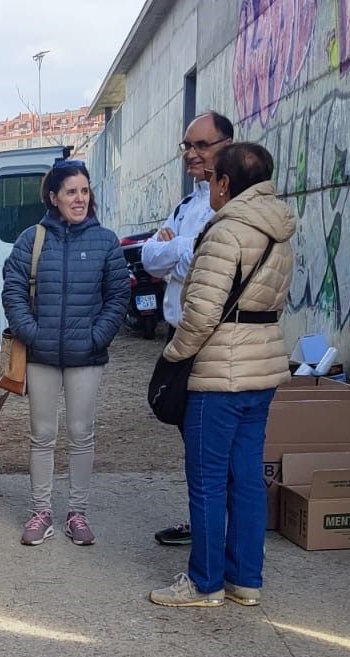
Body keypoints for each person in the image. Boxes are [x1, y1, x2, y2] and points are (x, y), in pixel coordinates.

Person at [149, 142, 297, 610]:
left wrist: (175, 356)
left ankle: (205, 582)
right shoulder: (280, 230)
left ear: (226, 184)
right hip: (264, 366)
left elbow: (201, 313)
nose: (209, 187)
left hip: (218, 372)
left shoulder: (225, 231)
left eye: (212, 178)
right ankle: (244, 579)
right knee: (248, 476)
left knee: (208, 477)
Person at [1, 159, 130, 546]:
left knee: (81, 433)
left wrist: (97, 336)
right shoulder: (32, 239)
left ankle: (77, 512)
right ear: (54, 197)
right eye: (71, 192)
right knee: (41, 434)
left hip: (85, 357)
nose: (79, 199)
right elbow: (13, 289)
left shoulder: (105, 241)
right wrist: (31, 332)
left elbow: (118, 295)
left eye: (85, 191)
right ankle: (41, 511)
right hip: (41, 355)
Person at [141, 112, 234, 548]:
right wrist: (181, 247)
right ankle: (207, 525)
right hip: (181, 336)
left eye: (202, 145)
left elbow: (204, 266)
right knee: (193, 442)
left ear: (227, 145)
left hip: (209, 342)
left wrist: (173, 247)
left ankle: (216, 540)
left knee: (211, 450)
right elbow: (149, 258)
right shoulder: (189, 204)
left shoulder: (231, 203)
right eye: (187, 146)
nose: (192, 154)